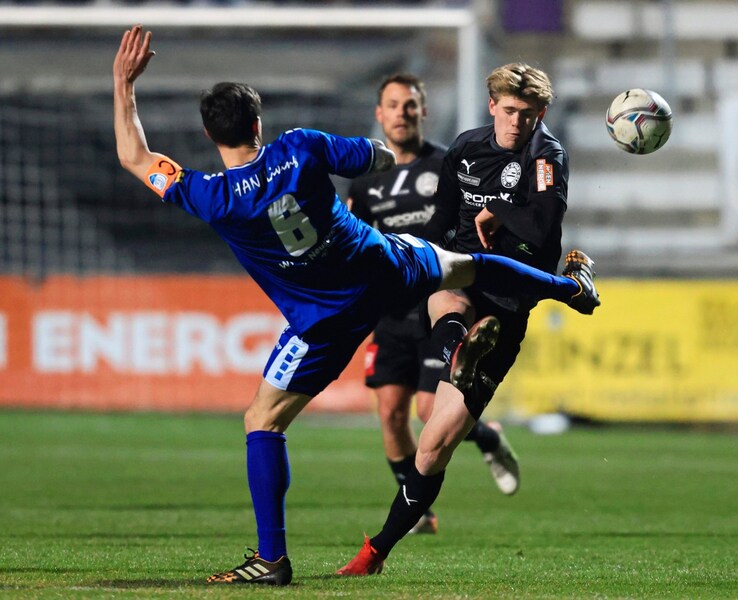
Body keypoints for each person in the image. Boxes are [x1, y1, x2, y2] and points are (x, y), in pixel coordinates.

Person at [114, 27, 598, 587]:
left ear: (208, 133)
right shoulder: (300, 145)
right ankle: (567, 290)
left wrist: (124, 83)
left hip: (323, 318)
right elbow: (374, 156)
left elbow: (134, 155)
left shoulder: (209, 196)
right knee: (467, 265)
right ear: (257, 125)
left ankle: (271, 559)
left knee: (262, 421)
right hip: (380, 264)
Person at [337, 62, 594, 576]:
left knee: (433, 444)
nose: (517, 122)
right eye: (509, 110)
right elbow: (440, 219)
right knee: (447, 295)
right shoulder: (465, 148)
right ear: (493, 104)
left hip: (510, 298)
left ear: (541, 113)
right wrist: (412, 256)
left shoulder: (547, 157)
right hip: (459, 272)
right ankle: (460, 347)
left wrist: (502, 213)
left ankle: (379, 548)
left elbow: (543, 230)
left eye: (528, 113)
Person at [348, 74, 522, 536]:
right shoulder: (365, 182)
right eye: (393, 105)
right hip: (390, 308)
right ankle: (419, 511)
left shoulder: (450, 164)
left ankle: (483, 439)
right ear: (379, 114)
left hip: (440, 301)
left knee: (430, 411)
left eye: (410, 105)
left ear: (423, 111)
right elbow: (354, 243)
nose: (402, 113)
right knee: (389, 412)